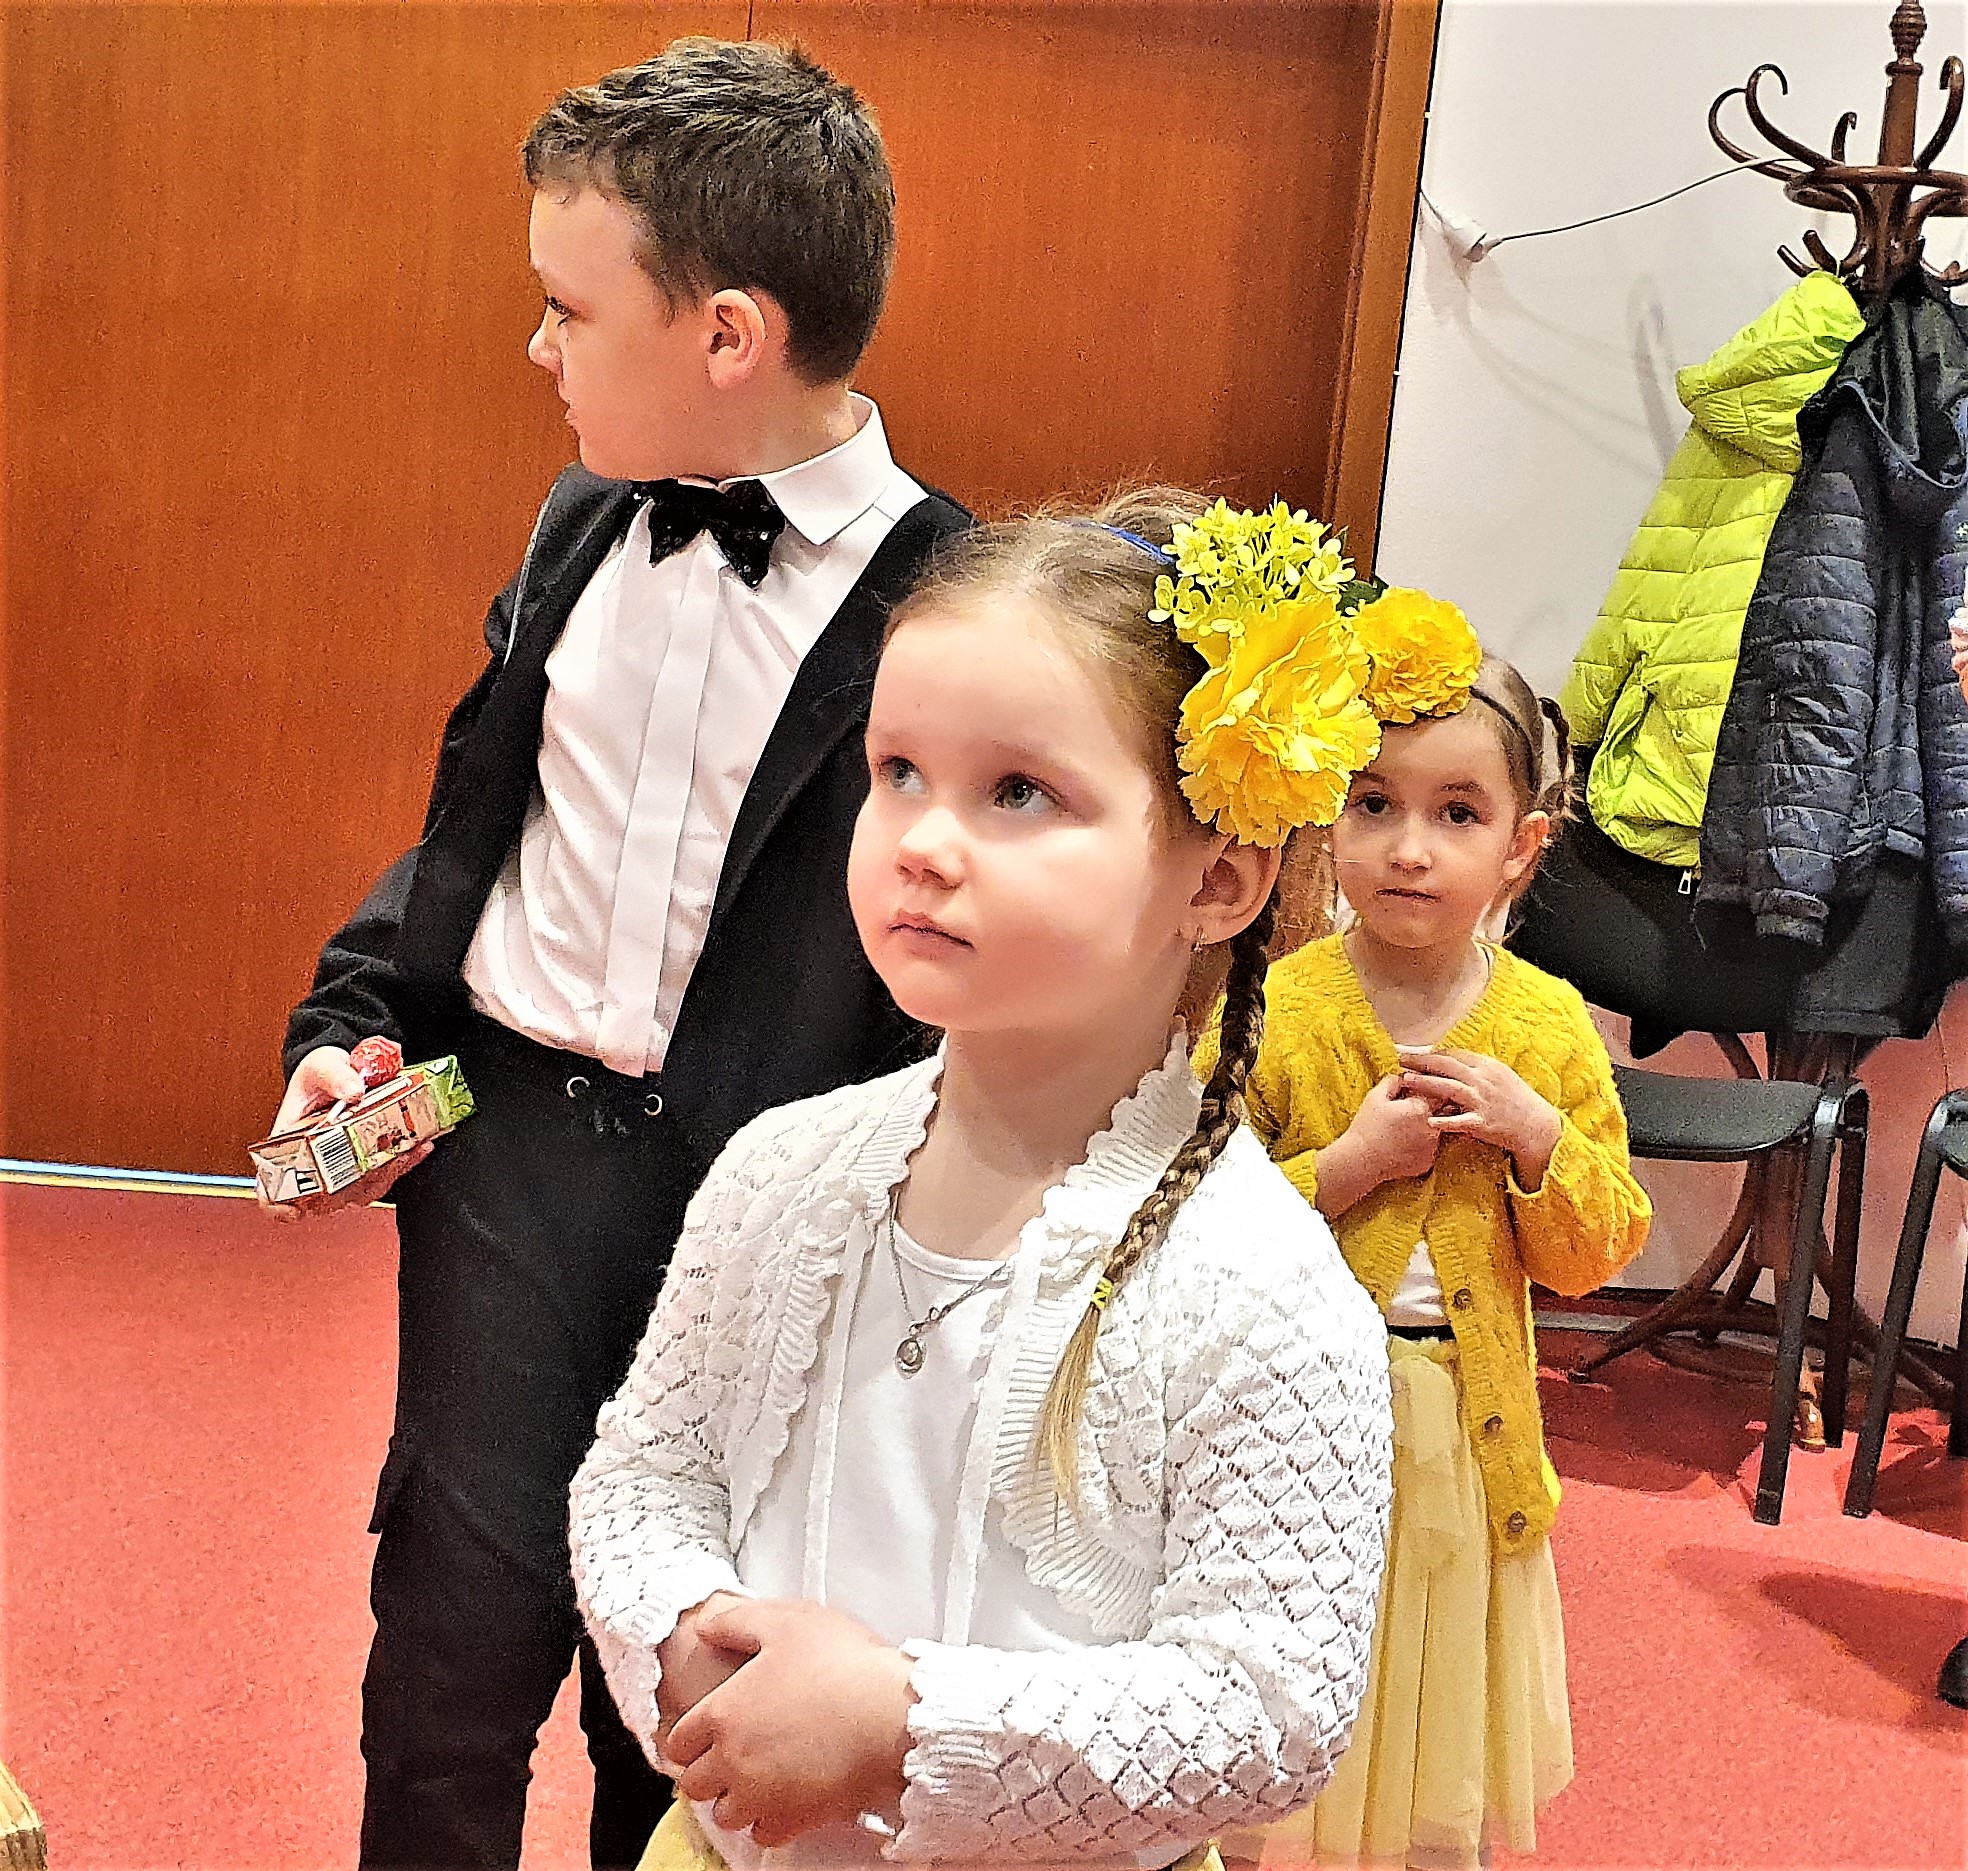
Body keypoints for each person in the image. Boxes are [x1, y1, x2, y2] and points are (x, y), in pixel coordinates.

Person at [262, 40, 969, 1870]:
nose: (538, 345)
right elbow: (486, 822)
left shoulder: (955, 610)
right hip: (504, 1166)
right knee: (445, 1650)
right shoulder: (582, 515)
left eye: (568, 308)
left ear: (726, 335)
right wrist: (353, 1017)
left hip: (761, 1208)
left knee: (685, 1685)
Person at [569, 494, 1398, 1870]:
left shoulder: (1262, 1287)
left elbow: (1275, 1705)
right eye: (897, 770)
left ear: (1219, 880)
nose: (923, 838)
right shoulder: (779, 1173)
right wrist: (684, 1628)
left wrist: (899, 1722)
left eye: (1018, 792)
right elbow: (647, 1469)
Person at [1202, 603, 1653, 1869]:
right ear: (1326, 818)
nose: (1409, 848)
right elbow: (1190, 1218)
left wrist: (1536, 1138)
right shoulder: (1278, 1007)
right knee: (1281, 1702)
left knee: (1438, 1715)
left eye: (1458, 813)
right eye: (1373, 804)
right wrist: (1346, 1167)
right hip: (1289, 1419)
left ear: (1521, 846)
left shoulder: (1547, 1027)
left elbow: (1596, 1248)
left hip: (1464, 1430)